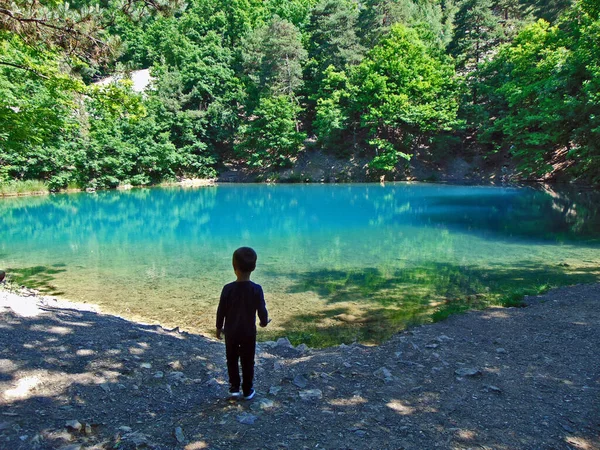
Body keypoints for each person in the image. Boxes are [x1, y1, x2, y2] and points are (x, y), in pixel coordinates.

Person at [216, 247, 269, 400]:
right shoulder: (256, 289)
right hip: (248, 333)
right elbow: (262, 309)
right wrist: (264, 322)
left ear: (234, 267)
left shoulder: (228, 289)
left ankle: (234, 387)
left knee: (231, 359)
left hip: (231, 332)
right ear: (254, 267)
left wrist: (219, 328)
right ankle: (247, 389)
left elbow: (221, 311)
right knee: (248, 361)